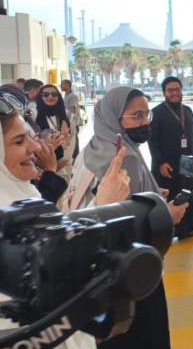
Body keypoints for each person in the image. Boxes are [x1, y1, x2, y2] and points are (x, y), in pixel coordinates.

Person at [0, 92, 130, 349]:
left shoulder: (21, 191)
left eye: (29, 136)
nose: (35, 147)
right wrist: (102, 207)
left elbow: (59, 240)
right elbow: (52, 274)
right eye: (17, 141)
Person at [84, 86, 187, 349]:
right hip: (132, 273)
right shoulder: (123, 157)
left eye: (147, 115)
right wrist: (167, 215)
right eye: (137, 116)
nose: (144, 123)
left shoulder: (97, 145)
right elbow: (122, 228)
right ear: (115, 117)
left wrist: (151, 195)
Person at [149, 77, 193, 239]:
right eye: (170, 90)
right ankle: (168, 231)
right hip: (167, 165)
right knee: (169, 196)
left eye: (177, 89)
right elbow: (152, 141)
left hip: (188, 163)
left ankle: (189, 228)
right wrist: (160, 162)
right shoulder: (156, 113)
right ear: (164, 93)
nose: (175, 93)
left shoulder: (187, 111)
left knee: (188, 192)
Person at [35, 85, 74, 178]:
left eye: (54, 94)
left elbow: (72, 140)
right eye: (45, 94)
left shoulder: (67, 115)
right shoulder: (33, 114)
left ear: (59, 96)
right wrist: (51, 163)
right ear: (40, 97)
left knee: (64, 191)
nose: (50, 97)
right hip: (42, 167)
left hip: (64, 165)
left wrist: (63, 160)